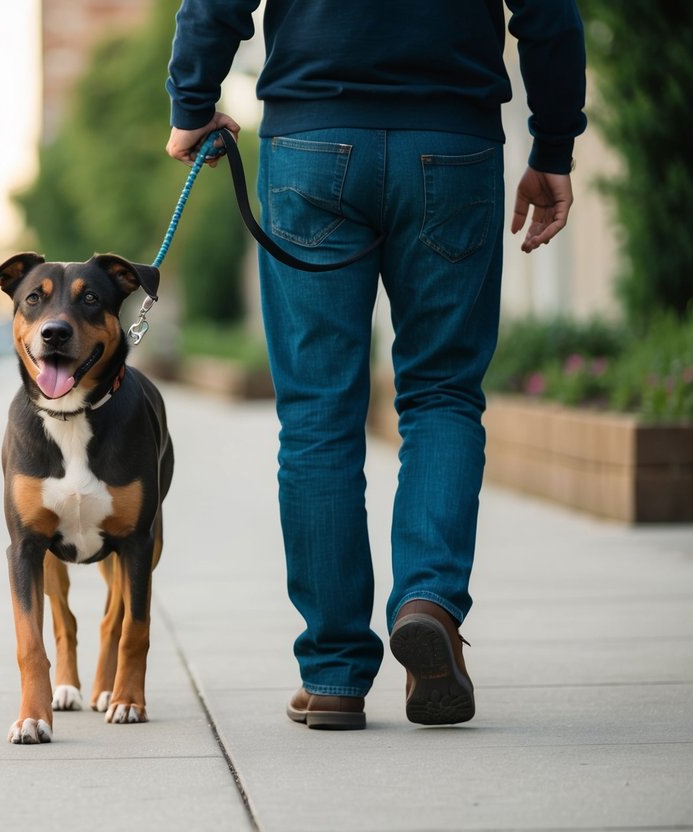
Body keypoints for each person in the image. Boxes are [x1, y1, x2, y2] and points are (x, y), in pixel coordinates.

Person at [165, 1, 586, 729]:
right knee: (442, 395)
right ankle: (428, 602)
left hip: (311, 143)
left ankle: (332, 672)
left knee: (316, 414)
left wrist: (191, 103)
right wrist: (551, 148)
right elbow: (549, 14)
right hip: (454, 142)